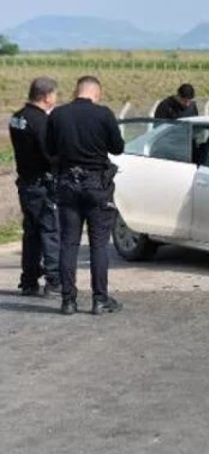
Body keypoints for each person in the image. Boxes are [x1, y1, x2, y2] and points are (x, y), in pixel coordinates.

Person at [46, 75, 125, 315]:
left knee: (68, 243)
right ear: (96, 93)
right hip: (96, 185)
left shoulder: (58, 115)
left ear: (76, 91)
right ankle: (99, 299)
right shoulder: (104, 114)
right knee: (98, 244)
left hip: (67, 183)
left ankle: (68, 301)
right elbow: (118, 148)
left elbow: (49, 149)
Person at [9, 77, 61, 297]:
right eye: (55, 94)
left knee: (31, 233)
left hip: (26, 183)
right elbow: (48, 153)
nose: (56, 99)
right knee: (50, 231)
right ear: (46, 96)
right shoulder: (40, 121)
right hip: (42, 184)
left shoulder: (17, 117)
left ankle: (29, 280)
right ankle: (54, 281)